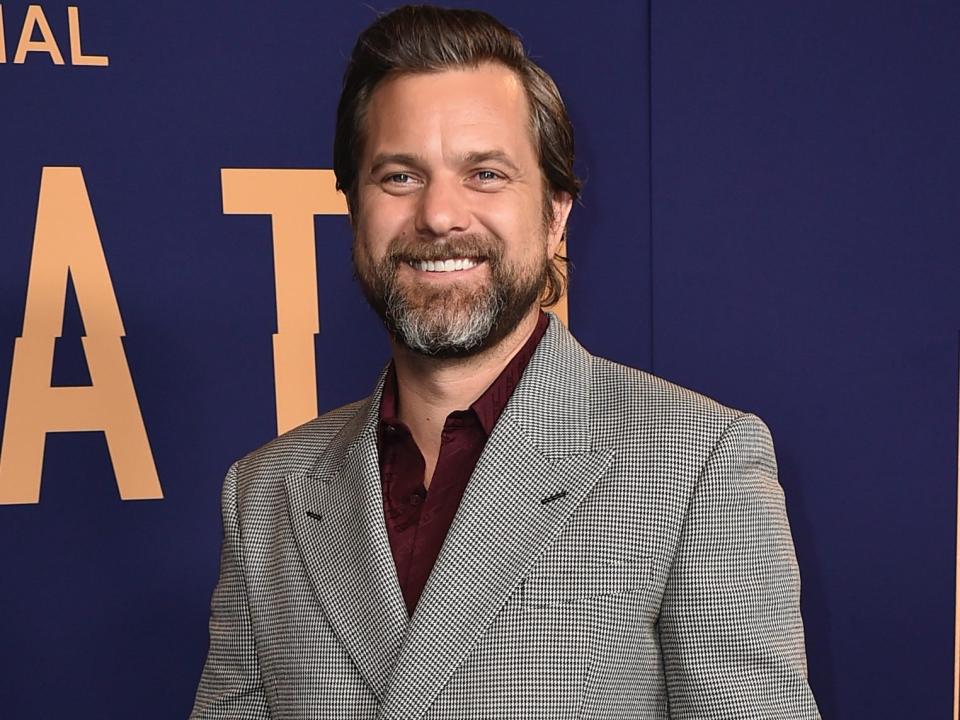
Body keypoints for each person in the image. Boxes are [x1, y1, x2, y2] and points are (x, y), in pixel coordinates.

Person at [191, 5, 821, 719]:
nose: (439, 215)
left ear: (555, 214)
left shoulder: (696, 465)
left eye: (485, 173)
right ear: (353, 209)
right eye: (399, 177)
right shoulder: (264, 494)